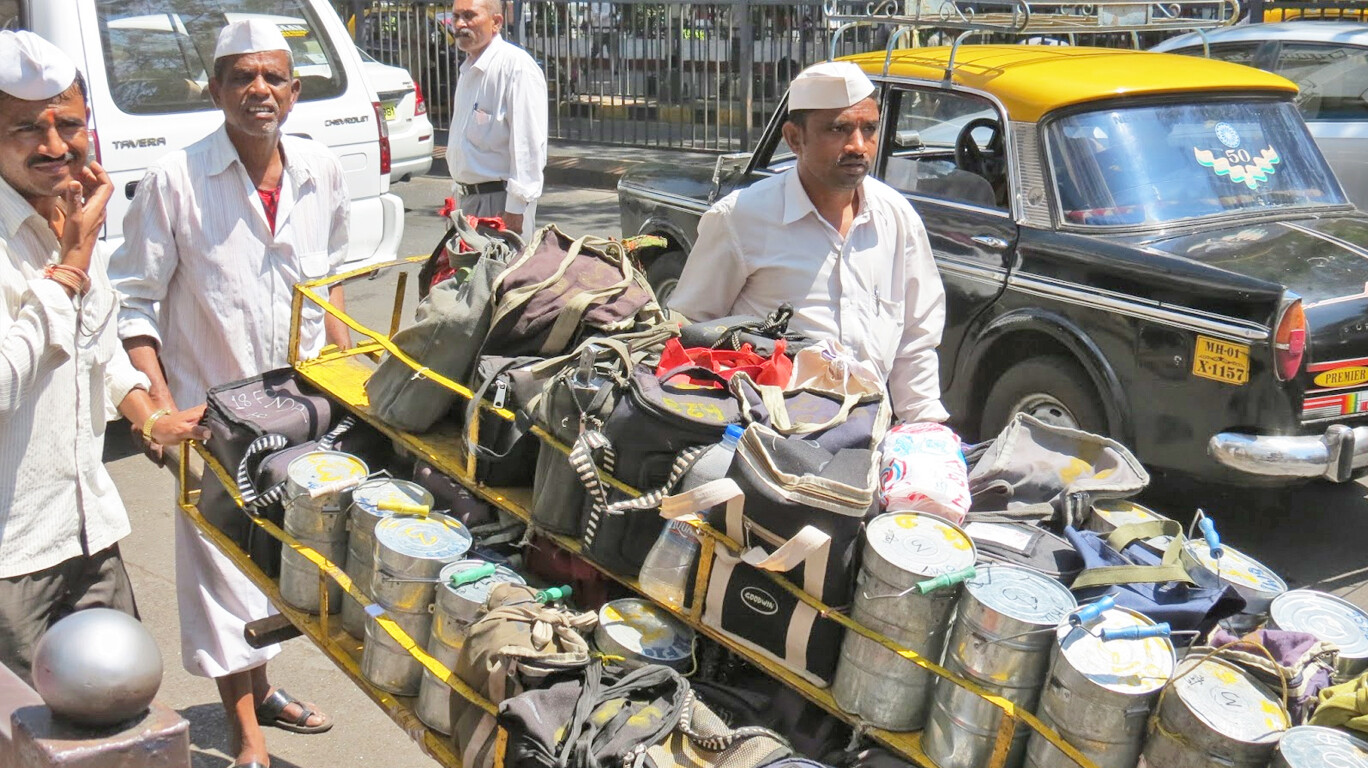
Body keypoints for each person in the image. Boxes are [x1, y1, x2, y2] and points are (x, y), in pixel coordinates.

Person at [110, 19, 350, 768]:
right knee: (221, 574)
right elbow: (133, 304)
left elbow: (331, 284)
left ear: (294, 90)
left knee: (289, 561)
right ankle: (246, 738)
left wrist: (352, 378)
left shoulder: (321, 171)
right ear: (214, 90)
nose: (259, 91)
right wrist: (157, 409)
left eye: (273, 77)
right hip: (217, 422)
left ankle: (265, 691)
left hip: (307, 414)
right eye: (242, 77)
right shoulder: (177, 180)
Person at [0, 30, 207, 682]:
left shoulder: (68, 214)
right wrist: (69, 270)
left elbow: (99, 351)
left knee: (126, 715)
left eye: (68, 123)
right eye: (28, 128)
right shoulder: (59, 242)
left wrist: (151, 419)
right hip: (12, 560)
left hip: (90, 534)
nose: (55, 145)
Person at [669, 61, 949, 424]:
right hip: (768, 441)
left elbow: (917, 339)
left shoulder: (897, 217)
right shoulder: (740, 218)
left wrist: (924, 430)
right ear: (794, 138)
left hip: (871, 438)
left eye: (869, 129)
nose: (858, 145)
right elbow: (689, 330)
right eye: (839, 129)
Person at [447, 0, 548, 241]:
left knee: (495, 277)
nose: (460, 24)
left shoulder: (516, 67)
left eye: (469, 15)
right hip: (466, 202)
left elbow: (528, 145)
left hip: (499, 206)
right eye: (456, 16)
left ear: (496, 22)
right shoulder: (468, 69)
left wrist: (515, 210)